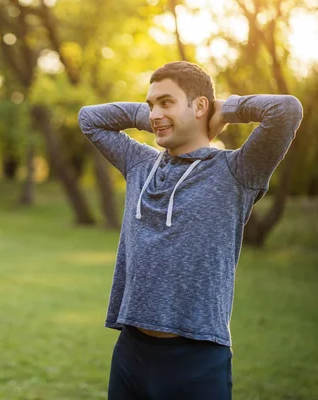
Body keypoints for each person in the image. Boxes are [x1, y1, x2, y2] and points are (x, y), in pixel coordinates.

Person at [78, 61, 303, 400]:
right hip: (131, 352)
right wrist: (158, 115)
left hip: (197, 360)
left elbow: (286, 110)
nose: (154, 113)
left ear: (199, 106)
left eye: (166, 102)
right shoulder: (139, 164)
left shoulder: (237, 171)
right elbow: (89, 119)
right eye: (151, 103)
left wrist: (224, 109)